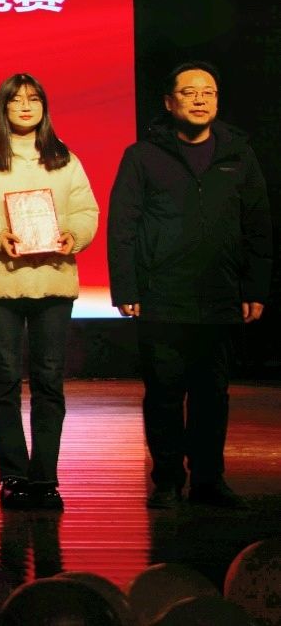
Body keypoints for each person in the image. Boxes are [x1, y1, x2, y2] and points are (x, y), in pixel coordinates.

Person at [108, 61, 270, 509]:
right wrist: (126, 289)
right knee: (163, 393)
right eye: (189, 92)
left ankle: (208, 479)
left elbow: (258, 226)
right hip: (162, 295)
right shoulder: (142, 156)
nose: (200, 99)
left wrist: (255, 287)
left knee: (212, 395)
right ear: (169, 102)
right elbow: (122, 226)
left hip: (220, 294)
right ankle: (166, 480)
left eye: (209, 92)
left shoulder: (238, 154)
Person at [0, 73, 99, 510]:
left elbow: (87, 211)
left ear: (45, 107)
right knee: (5, 379)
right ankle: (13, 475)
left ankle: (45, 477)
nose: (26, 107)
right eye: (16, 100)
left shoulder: (64, 159)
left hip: (52, 280)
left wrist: (73, 235)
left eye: (34, 99)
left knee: (49, 380)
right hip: (1, 282)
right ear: (3, 108)